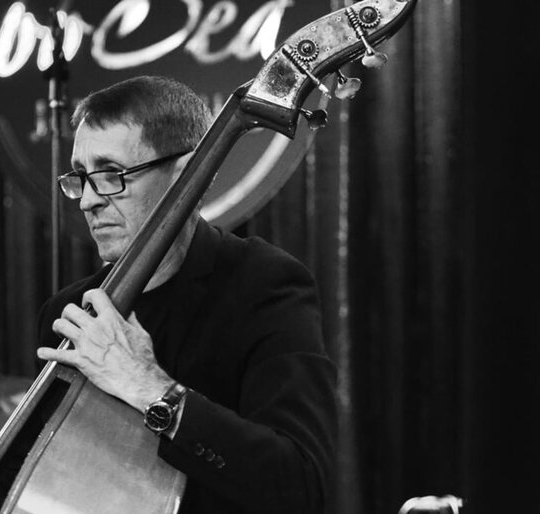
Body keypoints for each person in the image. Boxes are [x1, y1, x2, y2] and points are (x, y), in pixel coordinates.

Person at [36, 76, 337, 513]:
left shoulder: (265, 285)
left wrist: (148, 386)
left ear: (184, 176)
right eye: (80, 177)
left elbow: (300, 486)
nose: (86, 201)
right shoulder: (70, 314)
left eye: (110, 174)